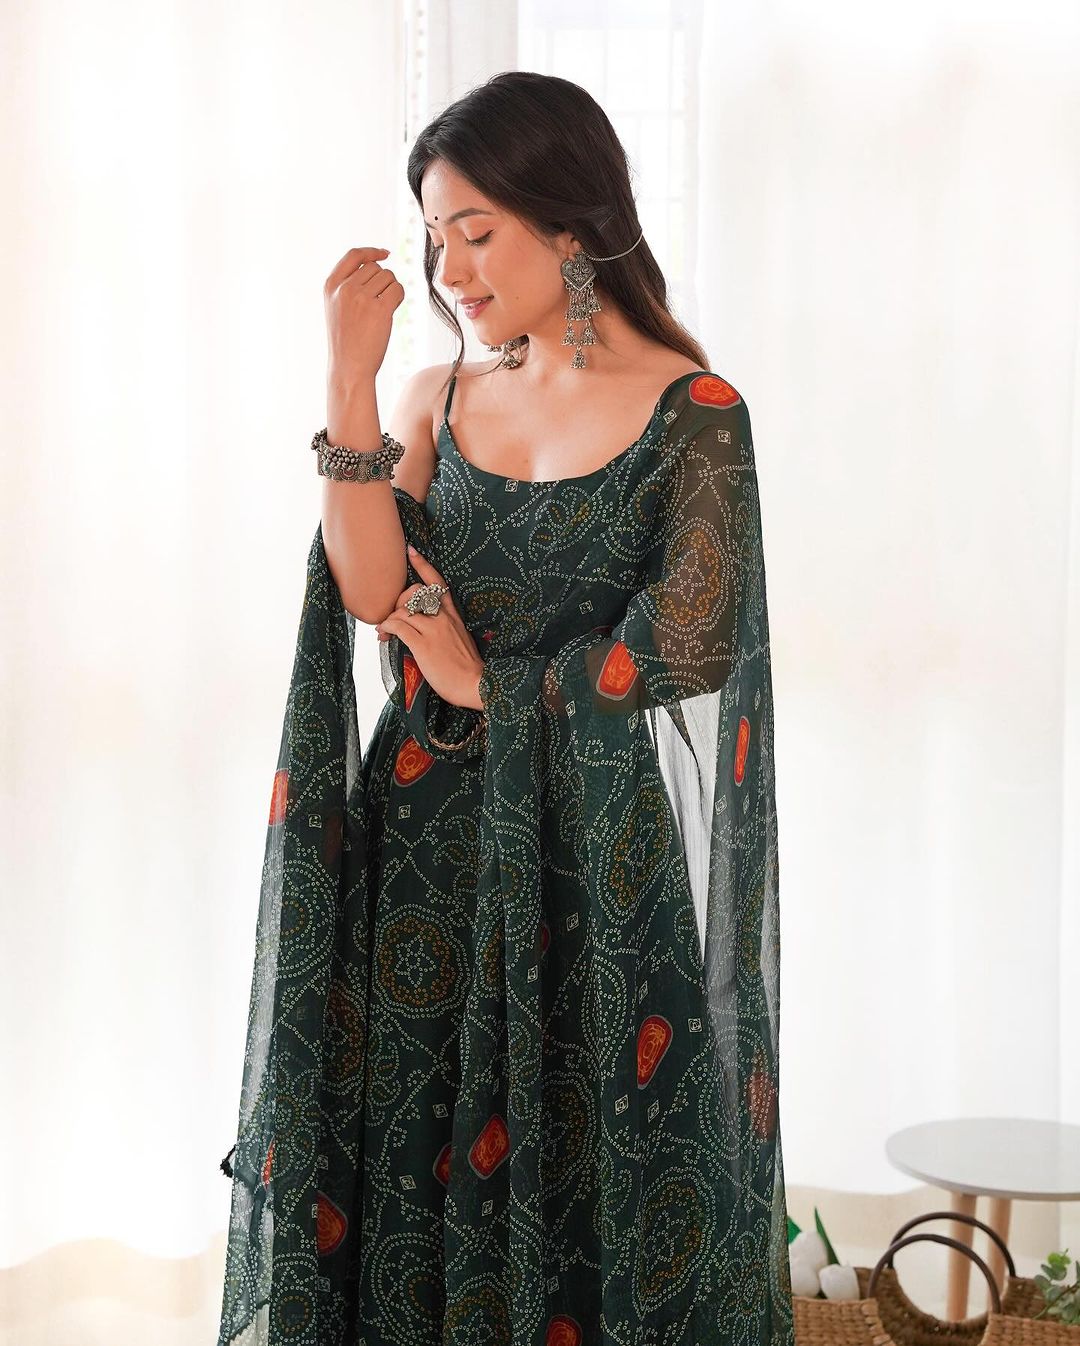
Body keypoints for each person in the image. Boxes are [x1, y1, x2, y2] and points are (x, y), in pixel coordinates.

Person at [216, 70, 794, 1346]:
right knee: (406, 1145)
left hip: (591, 851)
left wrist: (490, 684)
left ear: (572, 222)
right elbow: (373, 587)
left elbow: (692, 637)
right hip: (420, 843)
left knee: (594, 1163)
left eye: (476, 232)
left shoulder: (694, 413)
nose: (450, 268)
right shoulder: (438, 397)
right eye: (436, 236)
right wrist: (351, 378)